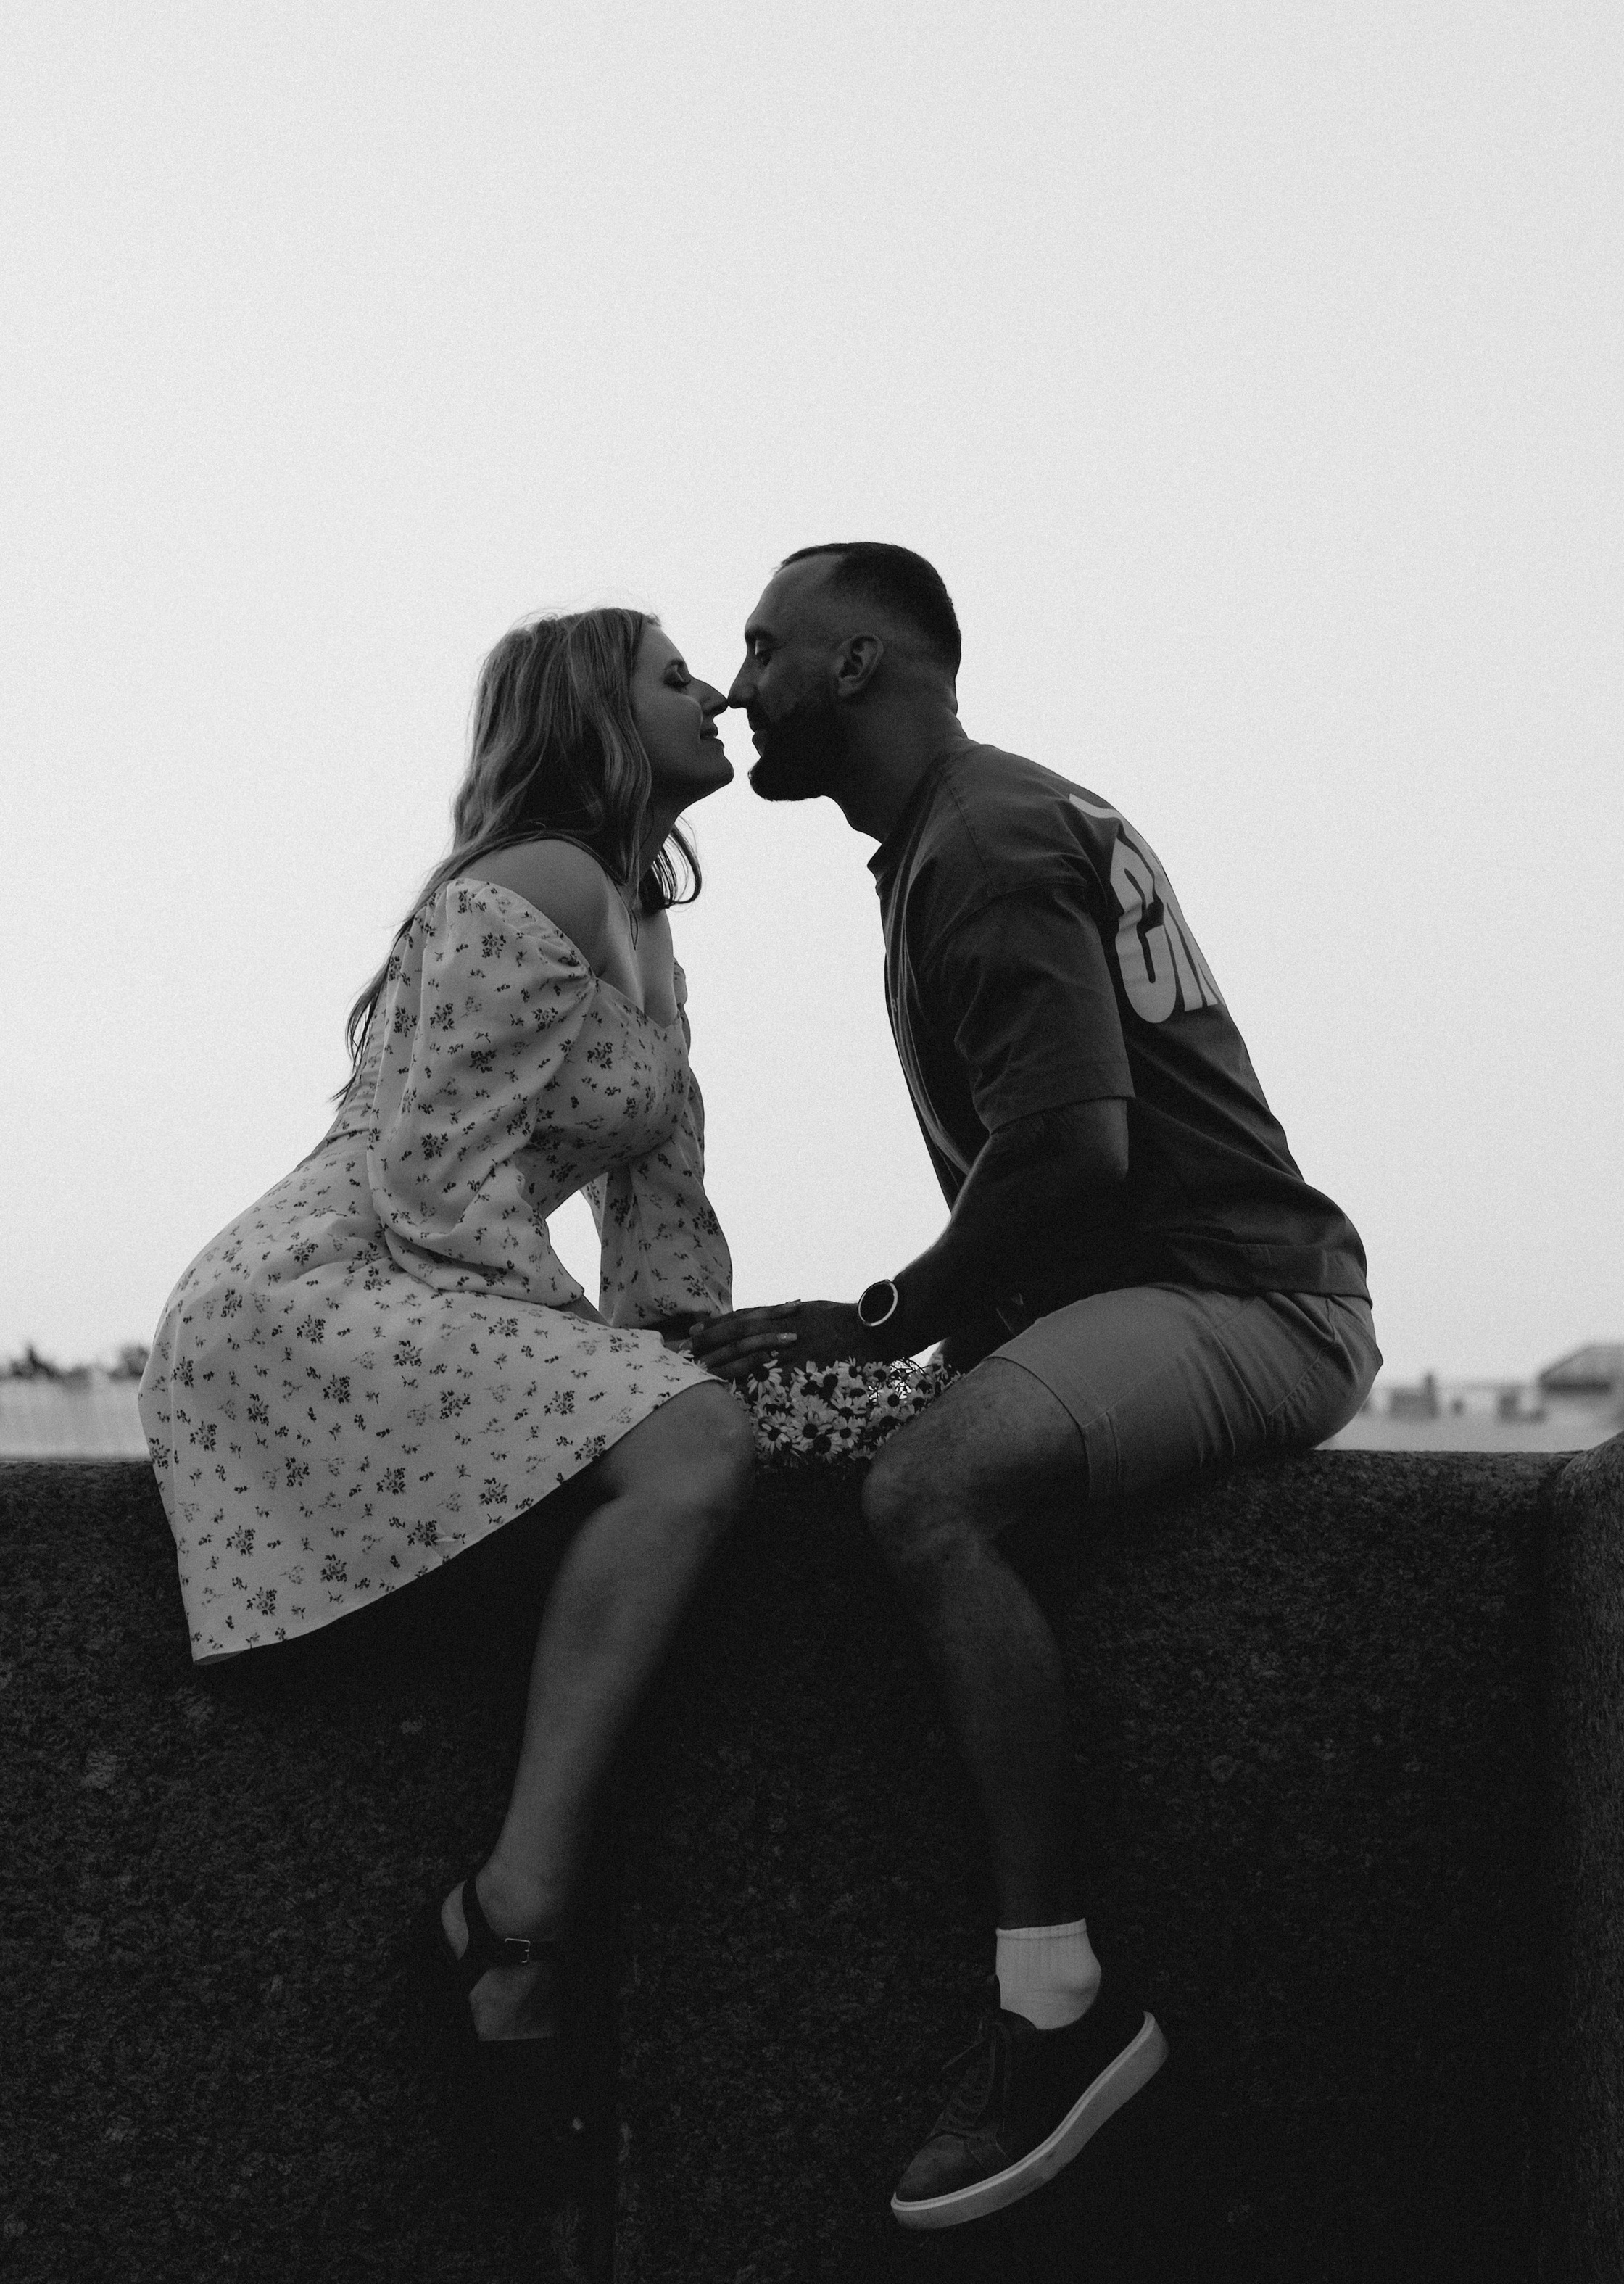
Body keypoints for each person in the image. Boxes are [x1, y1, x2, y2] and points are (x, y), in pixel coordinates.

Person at [689, 541, 1378, 2235]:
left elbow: (1070, 1149)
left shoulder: (978, 842)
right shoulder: (976, 817)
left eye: (765, 646)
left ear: (858, 664)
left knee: (925, 1493)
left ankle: (1056, 2010)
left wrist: (879, 1322)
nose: (734, 683)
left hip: (1248, 1300)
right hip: (1168, 1288)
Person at [139, 606, 790, 2199]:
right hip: (318, 1290)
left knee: (707, 1422)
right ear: (593, 715)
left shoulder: (644, 928)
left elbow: (656, 1227)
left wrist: (690, 1348)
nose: (713, 696)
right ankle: (511, 1918)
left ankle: (509, 1921)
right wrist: (618, 1388)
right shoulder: (539, 884)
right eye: (674, 675)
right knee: (684, 1444)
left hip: (429, 1282)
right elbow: (436, 1176)